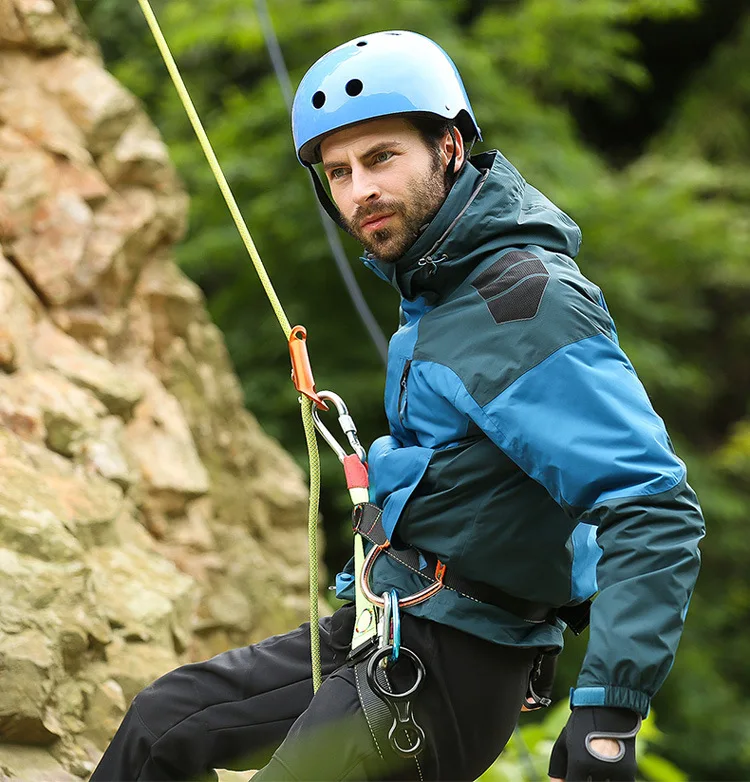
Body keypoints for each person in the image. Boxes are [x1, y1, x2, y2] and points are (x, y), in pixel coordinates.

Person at [90, 30, 705, 782]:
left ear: (449, 147)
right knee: (161, 725)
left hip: (451, 668)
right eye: (339, 172)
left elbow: (653, 503)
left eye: (381, 158)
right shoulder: (436, 294)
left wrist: (609, 711)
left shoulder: (520, 304)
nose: (359, 192)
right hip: (392, 626)